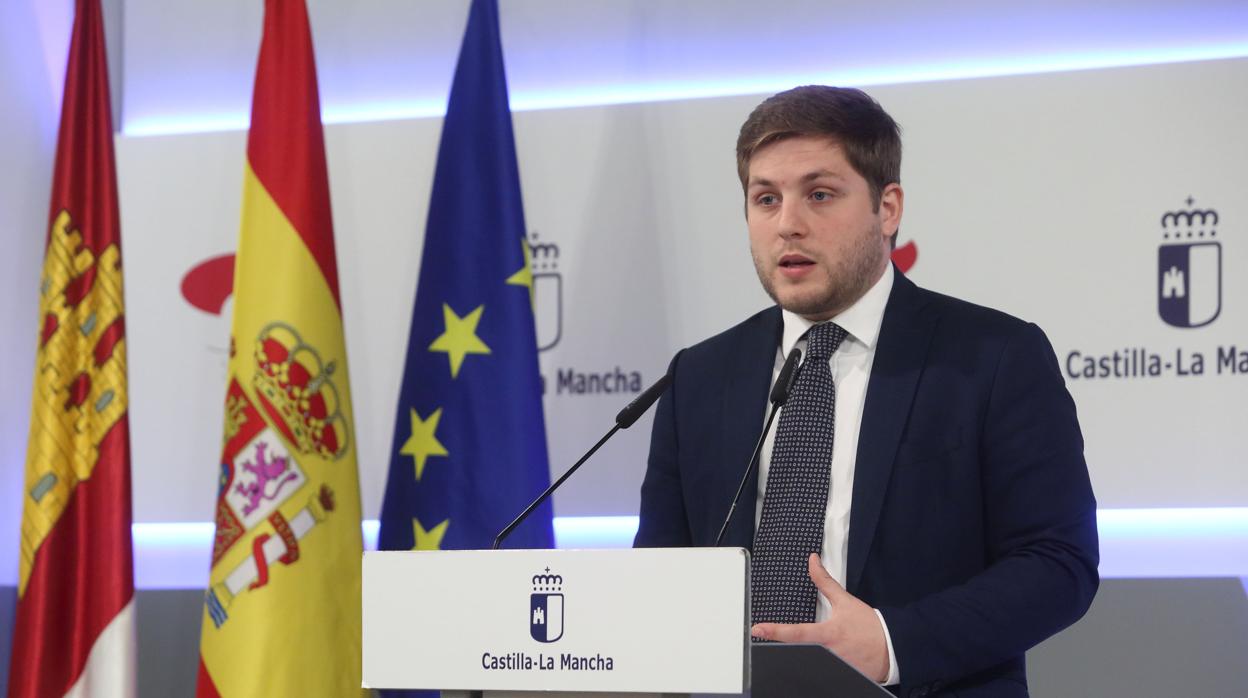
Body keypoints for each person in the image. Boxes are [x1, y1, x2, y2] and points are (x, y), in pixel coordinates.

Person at [634, 85, 1099, 698]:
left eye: (819, 194)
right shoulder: (700, 375)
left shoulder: (993, 356)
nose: (788, 224)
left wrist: (893, 642)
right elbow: (660, 571)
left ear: (888, 208)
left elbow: (1057, 562)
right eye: (765, 198)